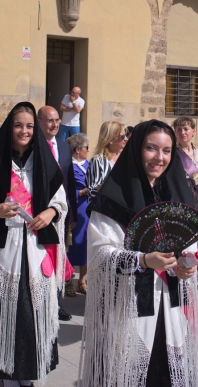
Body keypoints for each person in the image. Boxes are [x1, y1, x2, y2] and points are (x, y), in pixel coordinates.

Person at [81, 120, 198, 386]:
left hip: (171, 306)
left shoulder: (177, 193)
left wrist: (187, 264)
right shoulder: (114, 197)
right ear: (136, 149)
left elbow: (187, 241)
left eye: (166, 150)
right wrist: (143, 260)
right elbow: (100, 254)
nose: (160, 157)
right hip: (128, 308)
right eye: (151, 148)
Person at [0, 102, 68, 386]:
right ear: (9, 129)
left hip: (36, 250)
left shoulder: (45, 162)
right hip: (4, 249)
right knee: (6, 312)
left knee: (33, 314)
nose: (24, 131)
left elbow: (60, 201)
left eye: (28, 126)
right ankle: (7, 372)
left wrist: (50, 213)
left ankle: (31, 372)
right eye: (18, 125)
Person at [37, 105, 77, 321]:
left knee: (59, 258)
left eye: (57, 121)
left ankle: (57, 303)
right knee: (41, 259)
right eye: (49, 120)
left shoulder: (64, 147)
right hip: (39, 213)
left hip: (60, 214)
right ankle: (39, 301)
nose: (54, 125)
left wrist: (72, 214)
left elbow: (69, 182)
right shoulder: (33, 147)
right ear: (40, 122)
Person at [173, 116, 198, 290]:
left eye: (186, 129)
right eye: (179, 129)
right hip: (182, 207)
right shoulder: (172, 154)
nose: (183, 132)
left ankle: (197, 283)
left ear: (193, 131)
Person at [65, 132, 90, 296]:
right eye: (86, 147)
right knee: (72, 245)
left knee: (87, 244)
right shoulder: (68, 165)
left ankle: (82, 280)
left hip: (88, 209)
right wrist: (81, 192)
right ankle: (68, 281)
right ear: (77, 149)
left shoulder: (88, 164)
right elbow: (65, 190)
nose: (88, 150)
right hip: (75, 208)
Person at [85, 120, 126, 202]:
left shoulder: (126, 159)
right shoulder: (98, 161)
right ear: (110, 140)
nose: (126, 139)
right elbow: (91, 191)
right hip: (106, 209)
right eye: (122, 136)